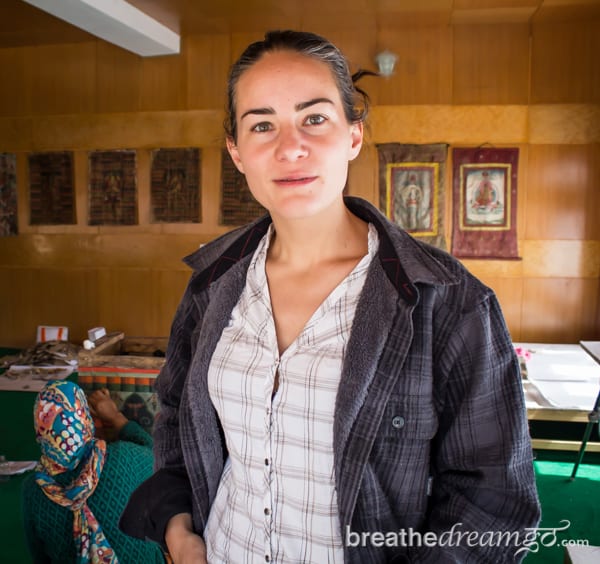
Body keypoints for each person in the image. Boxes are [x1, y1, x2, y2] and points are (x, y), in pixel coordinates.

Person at [120, 29, 541, 563]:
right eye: (262, 124)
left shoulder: (448, 302)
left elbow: (494, 503)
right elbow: (178, 419)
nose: (289, 146)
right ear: (237, 151)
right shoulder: (212, 284)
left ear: (353, 136)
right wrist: (180, 535)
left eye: (314, 118)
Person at [22, 381, 165, 563]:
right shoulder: (125, 459)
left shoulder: (33, 490)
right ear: (86, 421)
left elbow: (40, 557)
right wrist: (115, 417)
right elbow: (154, 452)